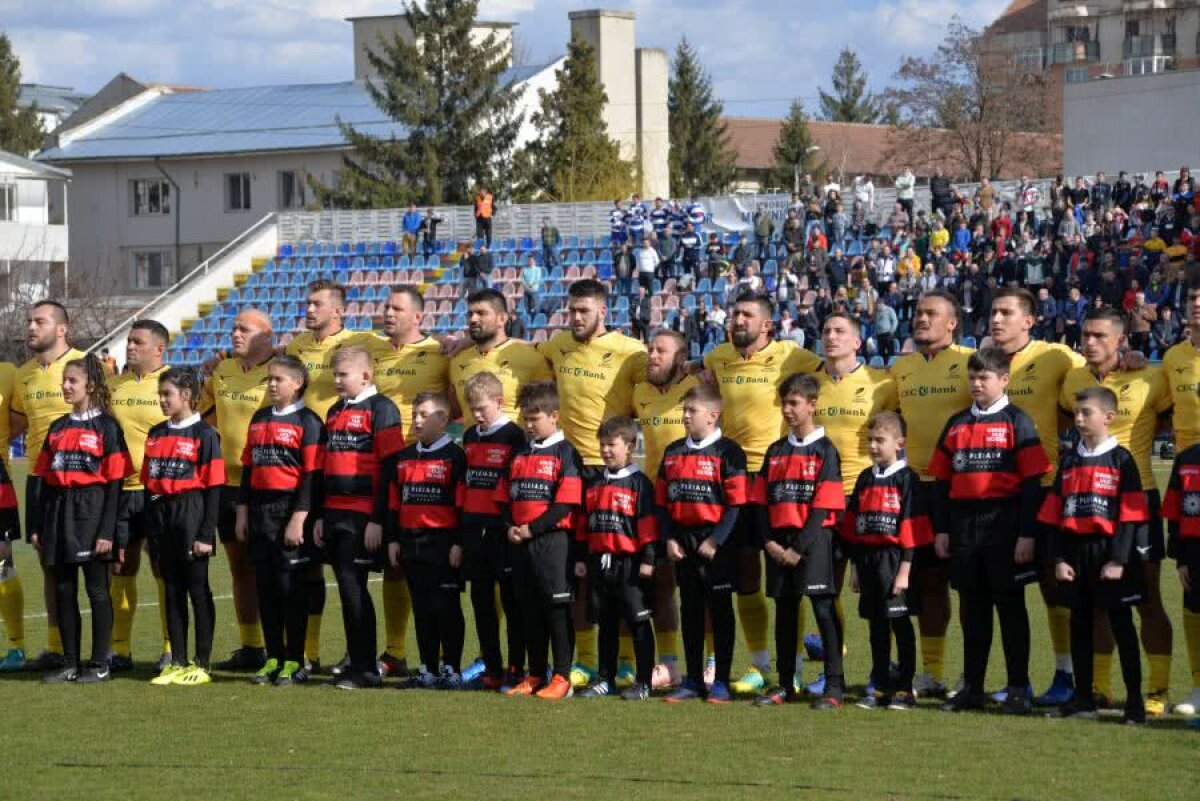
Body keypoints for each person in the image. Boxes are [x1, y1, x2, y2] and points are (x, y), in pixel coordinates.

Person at [703, 290, 821, 696]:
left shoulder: (794, 357)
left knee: (790, 576)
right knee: (746, 576)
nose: (737, 319)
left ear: (767, 325)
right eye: (734, 312)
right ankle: (760, 665)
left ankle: (799, 666)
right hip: (731, 478)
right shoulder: (717, 358)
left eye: (747, 315)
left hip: (778, 477)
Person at [1059, 307, 1174, 714]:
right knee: (1092, 602)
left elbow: (1168, 420)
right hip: (1086, 503)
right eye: (1086, 334)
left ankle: (1157, 690)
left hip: (1135, 499)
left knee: (1146, 600)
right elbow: (1062, 421)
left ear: (1121, 340)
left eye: (1100, 336)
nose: (1090, 342)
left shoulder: (1149, 376)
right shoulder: (1071, 378)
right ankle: (1099, 687)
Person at [536, 280, 648, 687]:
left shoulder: (630, 351)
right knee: (577, 571)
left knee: (621, 571)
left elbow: (657, 375)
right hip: (569, 470)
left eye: (583, 310)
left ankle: (628, 660)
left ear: (603, 311)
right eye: (571, 311)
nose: (576, 318)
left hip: (612, 472)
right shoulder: (557, 345)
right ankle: (584, 660)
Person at [930, 347, 1051, 714]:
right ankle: (973, 687)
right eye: (972, 378)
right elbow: (940, 480)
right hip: (964, 526)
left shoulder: (1018, 421)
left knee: (1011, 607)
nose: (977, 384)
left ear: (1004, 379)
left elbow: (1033, 482)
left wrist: (1026, 533)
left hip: (1005, 523)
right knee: (974, 607)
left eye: (984, 378)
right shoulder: (956, 423)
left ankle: (1018, 687)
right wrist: (942, 529)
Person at [1040, 386, 1148, 724]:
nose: (1080, 419)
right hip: (1076, 554)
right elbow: (1054, 513)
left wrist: (1118, 560)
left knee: (1121, 626)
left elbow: (1132, 516)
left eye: (1087, 413)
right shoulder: (1069, 460)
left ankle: (1135, 704)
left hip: (1111, 556)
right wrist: (1059, 558)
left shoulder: (1122, 460)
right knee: (1080, 625)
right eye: (1076, 413)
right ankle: (1083, 698)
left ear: (1109, 417)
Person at [889, 290, 972, 697]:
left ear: (952, 323)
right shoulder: (900, 369)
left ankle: (972, 676)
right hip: (910, 487)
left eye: (931, 314)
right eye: (919, 313)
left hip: (958, 487)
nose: (921, 319)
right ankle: (930, 671)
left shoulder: (970, 363)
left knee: (962, 583)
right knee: (920, 581)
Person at [33, 354, 131, 683]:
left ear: (90, 385)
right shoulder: (58, 427)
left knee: (97, 590)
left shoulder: (107, 426)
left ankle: (99, 663)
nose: (65, 386)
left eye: (72, 381)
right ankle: (71, 663)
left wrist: (108, 531)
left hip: (93, 512)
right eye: (64, 380)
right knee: (63, 589)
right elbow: (45, 481)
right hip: (60, 514)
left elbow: (116, 484)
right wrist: (38, 526)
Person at [751, 374, 845, 709]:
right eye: (784, 403)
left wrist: (798, 548)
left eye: (794, 403)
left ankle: (835, 686)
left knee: (823, 609)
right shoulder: (775, 451)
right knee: (786, 613)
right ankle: (786, 683)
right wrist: (770, 543)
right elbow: (760, 502)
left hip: (814, 541)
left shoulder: (825, 450)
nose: (787, 410)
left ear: (812, 404)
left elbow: (823, 506)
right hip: (779, 543)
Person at [370, 287, 451, 676]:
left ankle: (455, 657)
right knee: (393, 561)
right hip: (385, 466)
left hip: (429, 469)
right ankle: (394, 652)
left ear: (418, 316)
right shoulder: (371, 350)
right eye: (386, 307)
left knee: (433, 566)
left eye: (396, 308)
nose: (388, 313)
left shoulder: (441, 353)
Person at [314, 346, 405, 689]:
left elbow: (390, 467)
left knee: (354, 591)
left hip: (362, 515)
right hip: (335, 513)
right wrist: (322, 514)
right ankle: (355, 663)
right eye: (334, 375)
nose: (336, 381)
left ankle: (366, 670)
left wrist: (379, 520)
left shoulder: (382, 409)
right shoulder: (335, 411)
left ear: (366, 376)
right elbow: (326, 466)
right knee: (347, 591)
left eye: (343, 375)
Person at [234, 356, 322, 687]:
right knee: (266, 588)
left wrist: (299, 517)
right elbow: (248, 469)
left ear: (298, 383)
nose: (272, 384)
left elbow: (311, 476)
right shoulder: (258, 418)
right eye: (269, 379)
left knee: (291, 590)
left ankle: (294, 660)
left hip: (289, 511)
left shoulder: (309, 422)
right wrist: (242, 511)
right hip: (259, 512)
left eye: (279, 379)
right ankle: (272, 658)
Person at [9, 300, 87, 672]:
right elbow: (15, 425)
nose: (31, 327)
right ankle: (57, 646)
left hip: (82, 479)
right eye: (28, 321)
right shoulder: (23, 374)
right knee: (49, 563)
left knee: (95, 566)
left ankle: (109, 650)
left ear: (62, 328)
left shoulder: (86, 365)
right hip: (40, 481)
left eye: (39, 321)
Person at [658, 384, 747, 704]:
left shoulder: (730, 452)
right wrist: (668, 538)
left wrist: (716, 540)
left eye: (690, 411)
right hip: (682, 543)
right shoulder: (672, 452)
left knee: (721, 611)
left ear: (713, 415)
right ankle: (693, 679)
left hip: (717, 545)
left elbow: (736, 505)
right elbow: (661, 503)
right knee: (691, 611)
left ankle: (721, 679)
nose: (684, 416)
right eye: (683, 411)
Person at [198, 310, 273, 673]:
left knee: (276, 568)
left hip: (269, 484)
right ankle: (251, 646)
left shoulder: (283, 369)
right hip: (227, 484)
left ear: (266, 336)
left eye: (243, 329)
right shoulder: (222, 370)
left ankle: (291, 648)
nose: (235, 334)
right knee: (239, 567)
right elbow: (207, 414)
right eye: (233, 329)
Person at [499, 381, 583, 701]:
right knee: (528, 610)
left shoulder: (566, 453)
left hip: (553, 542)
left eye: (535, 418)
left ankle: (562, 675)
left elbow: (565, 504)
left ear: (554, 416)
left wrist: (532, 529)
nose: (529, 425)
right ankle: (536, 673)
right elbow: (505, 497)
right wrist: (510, 526)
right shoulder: (519, 453)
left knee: (557, 609)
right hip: (519, 543)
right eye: (526, 418)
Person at [842, 411, 929, 710]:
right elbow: (854, 525)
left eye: (881, 440)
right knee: (876, 628)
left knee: (901, 626)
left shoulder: (908, 479)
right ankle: (880, 687)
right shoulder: (865, 478)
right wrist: (855, 568)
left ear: (899, 442)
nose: (874, 446)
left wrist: (905, 571)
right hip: (868, 562)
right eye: (870, 440)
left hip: (895, 562)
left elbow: (911, 528)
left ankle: (905, 688)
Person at [143, 367, 225, 687]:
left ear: (187, 396)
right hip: (162, 516)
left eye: (168, 395)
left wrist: (206, 534)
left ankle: (201, 662)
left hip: (191, 511)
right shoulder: (156, 433)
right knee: (172, 590)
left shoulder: (205, 435)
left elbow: (213, 487)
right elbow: (150, 483)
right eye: (160, 395)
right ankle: (177, 660)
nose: (162, 400)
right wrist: (152, 531)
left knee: (197, 589)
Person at [385, 392, 467, 688]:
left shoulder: (456, 457)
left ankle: (452, 668)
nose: (417, 420)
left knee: (446, 606)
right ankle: (428, 668)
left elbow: (462, 505)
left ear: (443, 420)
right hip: (411, 543)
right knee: (421, 608)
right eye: (414, 414)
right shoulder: (404, 457)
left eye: (424, 415)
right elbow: (394, 503)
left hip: (443, 543)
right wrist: (393, 539)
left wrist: (459, 542)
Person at [575, 415, 658, 701]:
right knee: (606, 623)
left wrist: (648, 559)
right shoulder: (595, 482)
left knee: (637, 622)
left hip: (631, 565)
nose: (606, 450)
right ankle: (605, 678)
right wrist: (582, 557)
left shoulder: (640, 484)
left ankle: (644, 682)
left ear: (630, 446)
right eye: (602, 445)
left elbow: (647, 525)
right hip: (600, 564)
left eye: (612, 444)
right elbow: (586, 524)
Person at [106, 321, 171, 673]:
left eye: (137, 342)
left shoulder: (176, 382)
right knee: (120, 565)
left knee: (163, 566)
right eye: (129, 341)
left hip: (161, 491)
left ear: (159, 348)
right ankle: (120, 649)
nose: (129, 346)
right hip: (122, 489)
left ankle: (169, 647)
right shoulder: (113, 385)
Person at [460, 372, 528, 690]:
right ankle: (491, 666)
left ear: (500, 402)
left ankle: (516, 666)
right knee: (481, 600)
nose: (476, 415)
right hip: (474, 528)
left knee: (514, 601)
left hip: (502, 530)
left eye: (482, 408)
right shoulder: (471, 435)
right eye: (472, 409)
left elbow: (519, 483)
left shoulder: (515, 436)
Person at [449, 289, 552, 422]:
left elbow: (547, 410)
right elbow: (456, 409)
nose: (473, 319)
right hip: (472, 442)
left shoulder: (533, 358)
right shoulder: (457, 360)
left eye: (481, 313)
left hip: (515, 441)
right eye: (470, 314)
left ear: (502, 319)